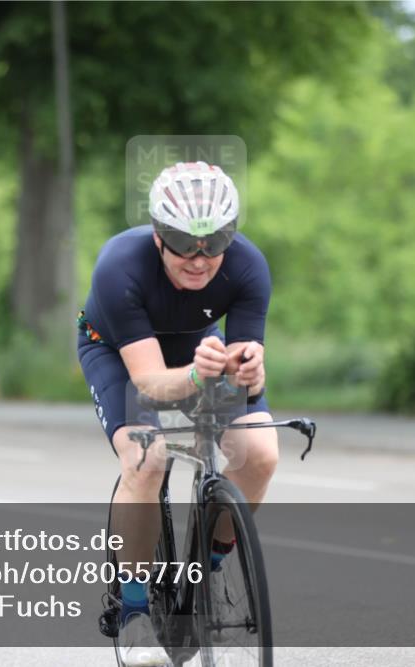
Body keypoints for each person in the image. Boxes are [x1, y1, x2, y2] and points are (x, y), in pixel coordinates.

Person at [77, 161, 278, 666]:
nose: (199, 259)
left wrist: (249, 371)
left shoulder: (248, 266)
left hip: (196, 347)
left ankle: (207, 571)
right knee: (146, 458)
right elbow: (148, 382)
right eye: (185, 243)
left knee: (259, 452)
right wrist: (195, 376)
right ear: (159, 236)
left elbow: (246, 367)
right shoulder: (119, 266)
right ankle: (134, 610)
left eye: (214, 243)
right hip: (117, 352)